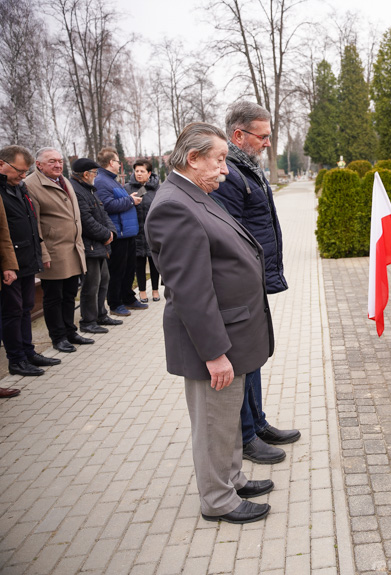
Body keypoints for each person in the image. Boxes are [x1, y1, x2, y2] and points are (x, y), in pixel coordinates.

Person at [145, 122, 275, 524]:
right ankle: (218, 500)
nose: (225, 169)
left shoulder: (194, 192)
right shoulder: (173, 205)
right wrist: (215, 353)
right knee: (213, 422)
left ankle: (231, 478)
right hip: (214, 341)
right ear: (193, 158)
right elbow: (191, 293)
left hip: (232, 331)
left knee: (227, 417)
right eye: (218, 160)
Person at [211, 101, 298, 465]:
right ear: (238, 135)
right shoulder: (228, 174)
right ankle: (245, 436)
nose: (267, 143)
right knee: (242, 358)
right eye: (262, 137)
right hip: (238, 284)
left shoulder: (246, 167)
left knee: (254, 355)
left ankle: (257, 422)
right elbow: (228, 235)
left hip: (253, 279)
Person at [0, 146, 60, 376]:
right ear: (2, 164)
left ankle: (28, 352)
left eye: (26, 172)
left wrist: (39, 254)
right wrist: (7, 265)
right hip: (11, 263)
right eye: (19, 171)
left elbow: (31, 224)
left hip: (26, 259)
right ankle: (16, 359)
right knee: (12, 312)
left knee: (25, 308)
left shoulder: (20, 188)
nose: (23, 176)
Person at [24, 148, 92, 353]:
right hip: (53, 251)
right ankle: (58, 336)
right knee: (54, 297)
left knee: (71, 293)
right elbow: (33, 224)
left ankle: (70, 331)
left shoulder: (63, 181)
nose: (58, 165)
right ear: (39, 164)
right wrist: (43, 252)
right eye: (52, 161)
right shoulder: (31, 185)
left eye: (60, 161)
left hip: (72, 248)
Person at [94, 147, 146, 317]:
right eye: (117, 161)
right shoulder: (101, 181)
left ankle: (128, 298)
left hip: (128, 233)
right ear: (110, 163)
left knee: (129, 269)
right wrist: (130, 200)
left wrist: (128, 199)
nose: (119, 164)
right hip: (118, 234)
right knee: (117, 271)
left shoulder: (113, 181)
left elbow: (119, 200)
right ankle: (115, 303)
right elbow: (106, 205)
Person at [70, 157, 120, 334]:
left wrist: (111, 232)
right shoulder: (76, 190)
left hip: (100, 244)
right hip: (89, 245)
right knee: (91, 285)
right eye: (94, 172)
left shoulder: (90, 189)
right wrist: (105, 234)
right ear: (86, 174)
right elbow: (85, 220)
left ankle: (101, 314)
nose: (96, 175)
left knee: (103, 281)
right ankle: (88, 321)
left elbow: (103, 213)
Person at [127, 160, 160, 303]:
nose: (139, 174)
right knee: (139, 263)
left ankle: (155, 290)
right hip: (136, 232)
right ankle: (141, 292)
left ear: (149, 173)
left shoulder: (156, 189)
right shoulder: (128, 188)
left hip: (152, 231)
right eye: (137, 171)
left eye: (142, 171)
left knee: (154, 263)